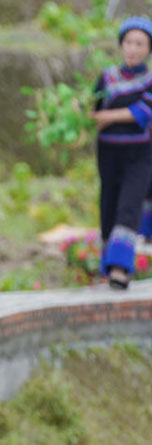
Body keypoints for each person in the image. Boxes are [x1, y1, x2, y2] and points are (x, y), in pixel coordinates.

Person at [90, 16, 152, 289]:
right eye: (128, 42)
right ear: (121, 44)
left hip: (140, 154)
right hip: (108, 153)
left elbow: (141, 113)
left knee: (129, 205)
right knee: (109, 206)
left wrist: (104, 116)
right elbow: (89, 108)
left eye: (140, 43)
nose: (133, 49)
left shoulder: (150, 80)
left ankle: (120, 268)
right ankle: (108, 262)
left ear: (149, 50)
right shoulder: (106, 77)